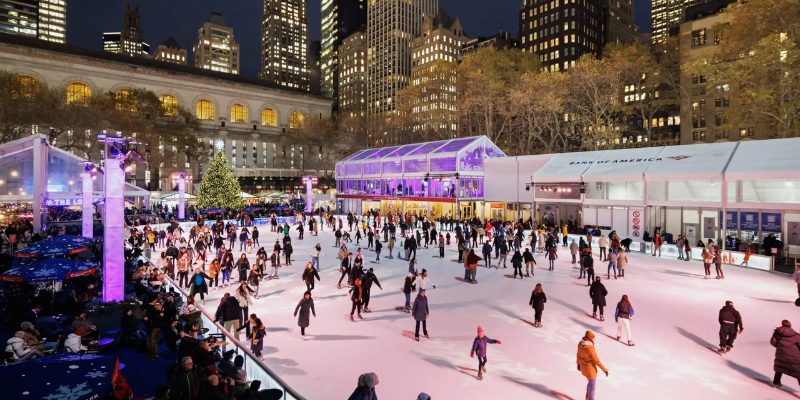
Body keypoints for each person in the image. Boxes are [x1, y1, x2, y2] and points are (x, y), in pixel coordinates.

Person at [576, 330, 609, 400]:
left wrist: (578, 364)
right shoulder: (590, 348)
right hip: (590, 370)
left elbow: (578, 355)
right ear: (590, 338)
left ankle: (587, 397)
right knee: (593, 386)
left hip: (583, 367)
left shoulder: (580, 344)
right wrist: (605, 370)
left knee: (590, 383)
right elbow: (597, 361)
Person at [770, 320, 800, 388]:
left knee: (780, 367)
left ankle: (776, 382)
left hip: (781, 355)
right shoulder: (795, 335)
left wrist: (781, 347)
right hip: (794, 357)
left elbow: (773, 342)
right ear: (790, 325)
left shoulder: (777, 332)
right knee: (798, 371)